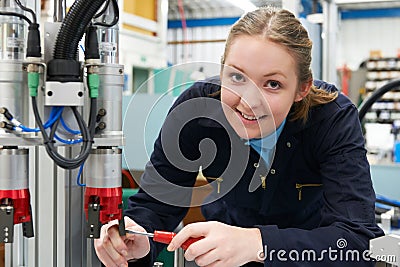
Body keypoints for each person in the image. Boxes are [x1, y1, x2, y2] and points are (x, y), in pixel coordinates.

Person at [94, 6, 383, 267]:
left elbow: (357, 243)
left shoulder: (331, 118)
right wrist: (138, 237)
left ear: (302, 89)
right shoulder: (195, 111)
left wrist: (258, 244)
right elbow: (155, 206)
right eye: (236, 77)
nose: (248, 101)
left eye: (272, 84)